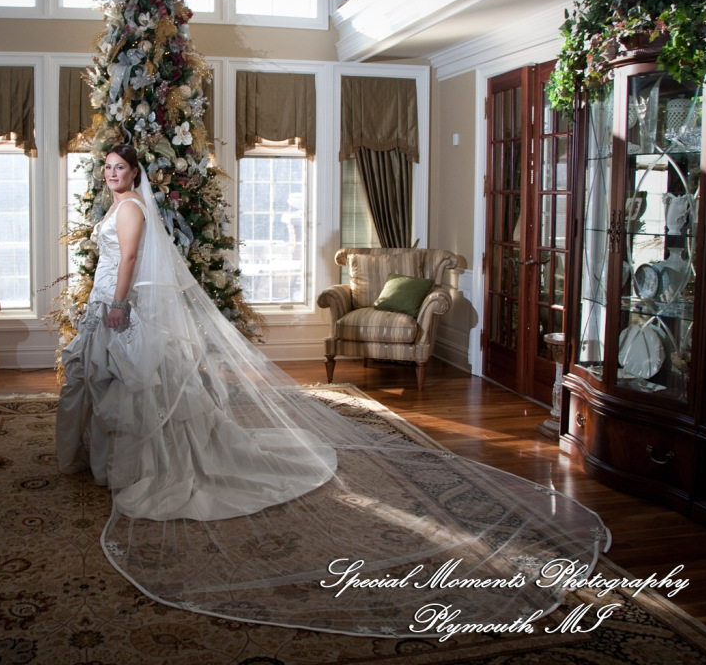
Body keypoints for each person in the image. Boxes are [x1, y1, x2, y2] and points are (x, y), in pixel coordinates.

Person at [58, 143, 609, 638]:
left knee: (135, 387)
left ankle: (141, 464)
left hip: (119, 304)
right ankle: (116, 461)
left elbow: (127, 258)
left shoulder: (130, 208)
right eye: (107, 168)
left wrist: (117, 305)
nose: (112, 175)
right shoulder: (120, 203)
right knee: (121, 385)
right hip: (111, 300)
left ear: (136, 173)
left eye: (120, 168)